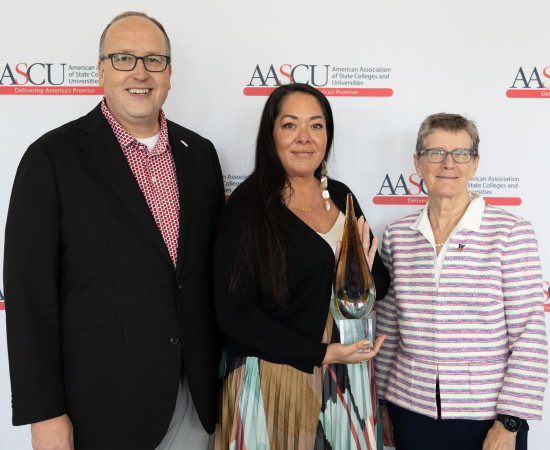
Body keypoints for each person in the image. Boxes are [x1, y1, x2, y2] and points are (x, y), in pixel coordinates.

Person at [4, 11, 224, 450]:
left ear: (169, 73)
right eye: (124, 58)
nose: (140, 72)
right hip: (100, 404)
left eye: (154, 60)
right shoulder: (51, 158)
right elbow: (30, 296)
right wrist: (44, 412)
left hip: (194, 398)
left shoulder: (200, 154)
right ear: (101, 69)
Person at [212, 83, 391, 449]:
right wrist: (321, 354)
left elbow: (379, 285)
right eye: (290, 125)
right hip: (275, 381)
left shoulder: (342, 196)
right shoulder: (248, 207)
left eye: (317, 125)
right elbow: (234, 312)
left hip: (346, 378)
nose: (304, 138)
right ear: (271, 134)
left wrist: (360, 275)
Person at [375, 113, 548, 450]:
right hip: (409, 410)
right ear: (418, 162)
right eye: (436, 152)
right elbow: (388, 329)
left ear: (475, 162)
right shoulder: (397, 235)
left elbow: (530, 333)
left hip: (488, 417)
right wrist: (381, 403)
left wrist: (510, 421)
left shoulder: (510, 232)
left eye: (461, 154)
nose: (448, 163)